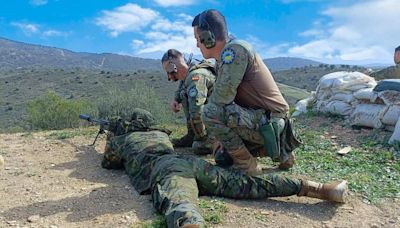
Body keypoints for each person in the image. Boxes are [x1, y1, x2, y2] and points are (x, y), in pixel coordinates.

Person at [101, 108, 347, 228]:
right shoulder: (159, 134)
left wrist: (111, 138)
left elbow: (108, 163)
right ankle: (320, 189)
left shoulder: (123, 140)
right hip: (192, 164)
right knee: (248, 184)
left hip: (168, 169)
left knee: (180, 202)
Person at [191, 10, 299, 175]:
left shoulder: (234, 52)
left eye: (198, 39)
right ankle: (284, 154)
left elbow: (220, 100)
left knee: (210, 112)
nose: (197, 45)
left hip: (271, 123)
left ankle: (247, 165)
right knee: (222, 155)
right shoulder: (229, 53)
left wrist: (218, 136)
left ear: (208, 37)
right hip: (268, 119)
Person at [161, 49, 216, 155]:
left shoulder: (196, 76)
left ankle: (210, 140)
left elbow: (196, 112)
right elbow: (182, 86)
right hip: (212, 117)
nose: (169, 76)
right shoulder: (189, 70)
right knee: (183, 94)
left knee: (198, 147)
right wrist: (176, 100)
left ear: (173, 66)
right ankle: (192, 135)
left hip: (218, 122)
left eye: (168, 71)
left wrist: (201, 138)